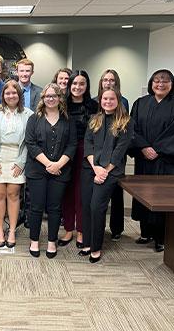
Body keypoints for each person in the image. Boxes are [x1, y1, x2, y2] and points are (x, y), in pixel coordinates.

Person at [130, 69, 174, 252]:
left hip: (168, 161)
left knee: (165, 198)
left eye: (165, 81)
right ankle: (145, 233)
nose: (160, 84)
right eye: (157, 80)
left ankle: (162, 238)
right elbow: (132, 128)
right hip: (145, 159)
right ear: (151, 83)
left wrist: (157, 149)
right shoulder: (140, 103)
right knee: (144, 196)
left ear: (172, 84)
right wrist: (143, 147)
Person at [80, 87, 133, 263]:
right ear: (100, 101)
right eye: (104, 99)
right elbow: (88, 144)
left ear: (118, 101)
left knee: (97, 207)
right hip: (91, 168)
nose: (107, 102)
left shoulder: (125, 121)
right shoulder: (95, 119)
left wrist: (104, 171)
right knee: (87, 206)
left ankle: (96, 247)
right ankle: (86, 242)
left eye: (111, 99)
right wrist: (96, 168)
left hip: (111, 171)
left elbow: (119, 151)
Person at [25, 83, 77, 258]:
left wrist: (58, 165)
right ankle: (34, 241)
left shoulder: (68, 120)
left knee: (55, 208)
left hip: (60, 171)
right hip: (37, 170)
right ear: (43, 99)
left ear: (60, 98)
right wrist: (49, 164)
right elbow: (30, 144)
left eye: (54, 96)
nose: (51, 99)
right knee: (36, 207)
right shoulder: (34, 119)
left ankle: (52, 242)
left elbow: (72, 145)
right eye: (47, 96)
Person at [0, 80, 33, 248]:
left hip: (17, 158)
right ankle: (0, 230)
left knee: (13, 194)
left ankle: (11, 230)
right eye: (7, 93)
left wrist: (21, 161)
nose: (11, 96)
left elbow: (30, 142)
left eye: (14, 93)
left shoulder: (28, 114)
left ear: (19, 95)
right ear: (3, 95)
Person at [59, 70, 98, 249]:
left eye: (81, 84)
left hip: (85, 151)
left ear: (87, 86)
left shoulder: (94, 106)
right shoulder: (62, 105)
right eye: (74, 84)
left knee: (82, 193)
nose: (77, 87)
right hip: (65, 151)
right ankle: (68, 229)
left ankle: (81, 230)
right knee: (66, 191)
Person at [95, 69, 129, 241]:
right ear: (100, 83)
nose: (108, 83)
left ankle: (116, 229)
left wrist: (108, 167)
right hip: (97, 157)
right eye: (105, 80)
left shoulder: (123, 102)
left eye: (112, 80)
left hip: (115, 159)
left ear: (116, 83)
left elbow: (124, 131)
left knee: (116, 195)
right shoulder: (95, 102)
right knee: (97, 201)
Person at [16, 58, 43, 228]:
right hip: (15, 141)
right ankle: (16, 214)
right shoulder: (10, 89)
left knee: (31, 182)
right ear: (17, 72)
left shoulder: (40, 92)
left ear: (32, 72)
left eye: (28, 71)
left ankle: (28, 215)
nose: (24, 74)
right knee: (16, 180)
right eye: (22, 71)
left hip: (35, 141)